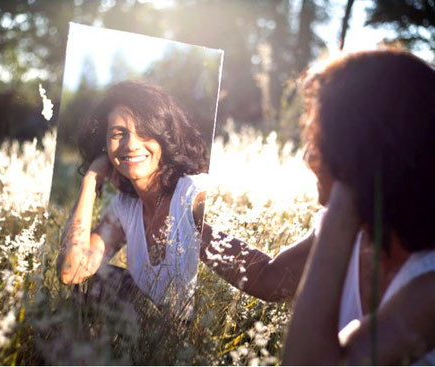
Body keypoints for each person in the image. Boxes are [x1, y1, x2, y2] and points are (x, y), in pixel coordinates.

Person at [56, 80, 306, 320]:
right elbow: (72, 271)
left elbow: (267, 281)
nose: (131, 144)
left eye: (144, 131)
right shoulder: (126, 208)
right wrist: (90, 180)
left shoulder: (192, 196)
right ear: (104, 146)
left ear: (164, 137)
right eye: (118, 133)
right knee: (94, 282)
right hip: (148, 341)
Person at [283, 49, 435, 365]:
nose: (308, 159)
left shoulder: (429, 283)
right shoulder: (361, 237)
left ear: (359, 153)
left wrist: (345, 199)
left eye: (322, 140)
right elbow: (265, 277)